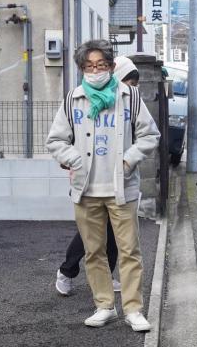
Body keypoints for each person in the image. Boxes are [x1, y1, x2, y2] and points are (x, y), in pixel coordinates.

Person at [47, 44, 160, 331]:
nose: (95, 71)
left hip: (121, 188)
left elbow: (149, 135)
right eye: (89, 66)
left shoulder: (130, 96)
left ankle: (133, 309)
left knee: (129, 250)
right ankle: (104, 306)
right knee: (94, 252)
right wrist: (73, 159)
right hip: (86, 189)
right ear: (82, 69)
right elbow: (56, 140)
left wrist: (128, 161)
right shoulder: (74, 99)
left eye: (101, 65)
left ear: (111, 67)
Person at [54, 57, 146, 297]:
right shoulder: (82, 101)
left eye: (135, 83)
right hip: (88, 183)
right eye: (129, 81)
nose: (132, 87)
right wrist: (74, 160)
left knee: (116, 238)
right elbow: (65, 140)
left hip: (118, 182)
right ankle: (67, 271)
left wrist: (128, 161)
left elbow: (144, 137)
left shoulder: (130, 104)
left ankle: (108, 276)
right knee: (89, 238)